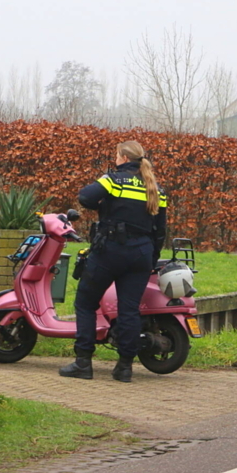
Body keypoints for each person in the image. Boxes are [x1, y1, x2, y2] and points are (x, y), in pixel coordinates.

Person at [60, 140, 167, 382]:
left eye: (116, 155)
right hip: (141, 254)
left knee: (86, 302)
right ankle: (124, 368)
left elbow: (84, 196)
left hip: (111, 250)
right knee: (129, 310)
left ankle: (83, 363)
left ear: (122, 157)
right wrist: (151, 258)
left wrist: (101, 206)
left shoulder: (113, 180)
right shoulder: (156, 189)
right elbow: (160, 231)